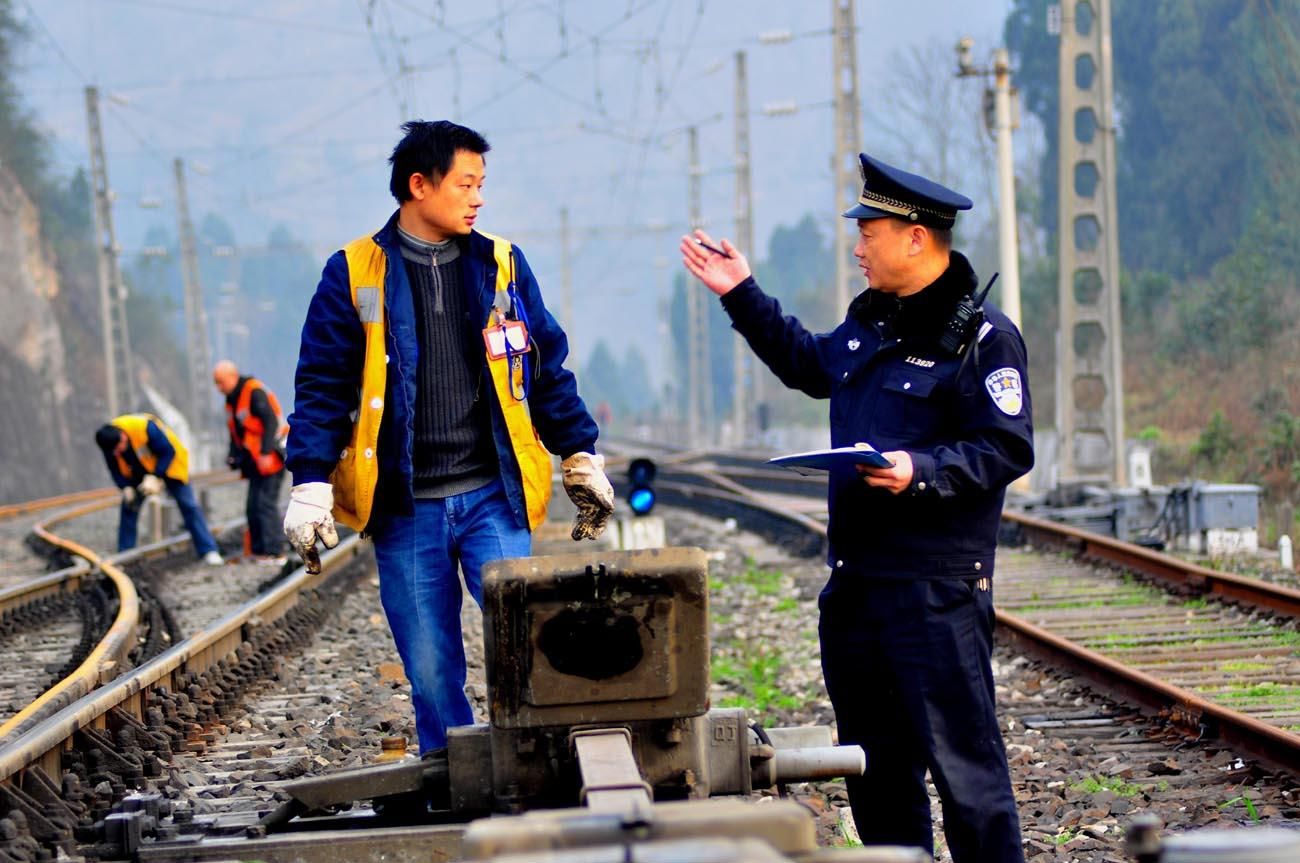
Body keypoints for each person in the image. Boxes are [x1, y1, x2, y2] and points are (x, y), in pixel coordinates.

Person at [680, 153, 1033, 863]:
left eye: (869, 230)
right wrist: (741, 292)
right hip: (858, 592)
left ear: (916, 237)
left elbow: (1004, 446)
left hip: (936, 593)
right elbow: (810, 364)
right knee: (878, 779)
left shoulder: (982, 339)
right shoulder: (870, 324)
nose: (857, 245)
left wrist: (920, 470)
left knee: (969, 779)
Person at [283, 119, 615, 756]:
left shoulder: (501, 265)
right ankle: (454, 772)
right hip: (406, 508)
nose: (478, 198)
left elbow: (543, 364)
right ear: (418, 185)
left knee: (523, 640)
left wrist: (578, 450)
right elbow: (322, 385)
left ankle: (530, 762)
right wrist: (311, 482)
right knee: (432, 668)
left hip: (494, 493)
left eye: (481, 184)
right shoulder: (353, 272)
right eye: (466, 183)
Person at [94, 413, 224, 565]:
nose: (118, 453)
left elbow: (168, 451)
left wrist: (155, 476)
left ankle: (209, 550)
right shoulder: (108, 443)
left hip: (169, 467)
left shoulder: (144, 427)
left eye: (119, 448)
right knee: (129, 508)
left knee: (189, 506)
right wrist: (125, 487)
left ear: (123, 436)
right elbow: (114, 468)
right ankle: (125, 555)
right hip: (138, 472)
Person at [213, 360, 287, 563]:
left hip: (271, 456)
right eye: (216, 383)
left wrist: (265, 452)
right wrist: (233, 456)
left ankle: (275, 551)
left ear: (233, 376)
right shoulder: (231, 401)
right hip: (255, 460)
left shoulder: (253, 391)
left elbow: (270, 421)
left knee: (265, 503)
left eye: (221, 382)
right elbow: (235, 433)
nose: (219, 387)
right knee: (253, 506)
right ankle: (259, 551)